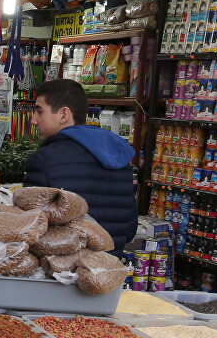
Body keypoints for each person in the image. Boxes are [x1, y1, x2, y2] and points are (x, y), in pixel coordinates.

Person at [24, 79, 138, 251]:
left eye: (39, 112)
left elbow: (29, 228)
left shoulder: (44, 160)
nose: (33, 120)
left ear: (63, 115)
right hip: (107, 271)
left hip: (57, 270)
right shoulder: (120, 159)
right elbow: (129, 230)